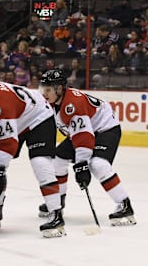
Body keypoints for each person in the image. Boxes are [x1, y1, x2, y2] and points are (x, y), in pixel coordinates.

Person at [0, 65, 65, 238]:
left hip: (39, 117)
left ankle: (56, 214)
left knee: (40, 163)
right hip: (17, 118)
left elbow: (8, 141)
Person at [39, 69, 136, 227]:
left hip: (105, 128)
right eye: (44, 89)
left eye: (48, 89)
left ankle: (125, 206)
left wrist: (81, 164)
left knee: (98, 164)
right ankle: (58, 203)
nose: (45, 93)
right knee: (58, 159)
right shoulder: (53, 103)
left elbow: (84, 137)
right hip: (85, 130)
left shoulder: (72, 105)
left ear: (59, 88)